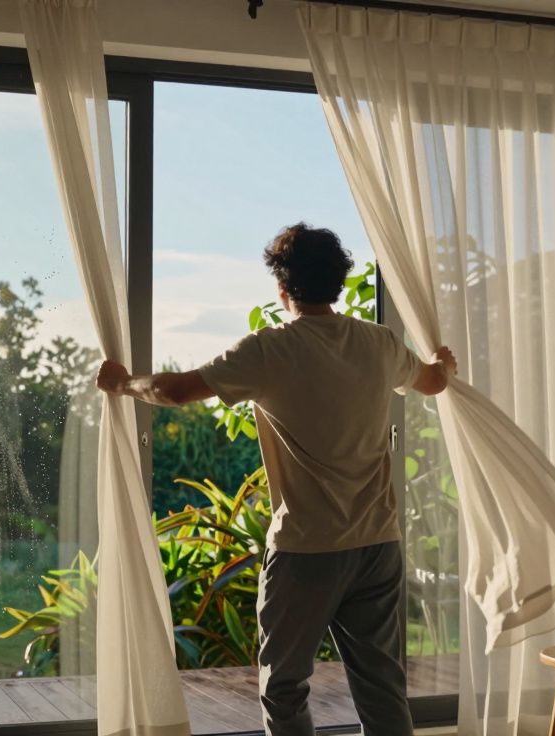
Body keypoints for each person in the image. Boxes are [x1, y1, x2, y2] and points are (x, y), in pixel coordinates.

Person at [95, 223, 457, 736]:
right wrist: (442, 362)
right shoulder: (379, 343)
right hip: (378, 545)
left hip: (307, 551)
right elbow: (433, 381)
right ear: (337, 281)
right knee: (381, 690)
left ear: (282, 288)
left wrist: (121, 382)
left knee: (284, 688)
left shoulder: (270, 350)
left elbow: (174, 392)